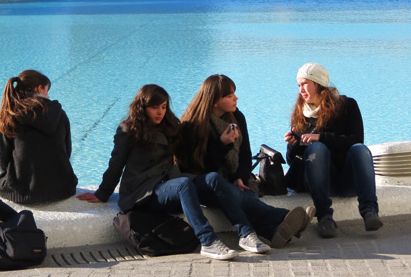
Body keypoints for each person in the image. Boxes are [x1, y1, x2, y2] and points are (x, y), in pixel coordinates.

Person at [78, 83, 280, 261]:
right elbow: (116, 163)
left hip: (169, 185)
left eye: (164, 107)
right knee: (184, 184)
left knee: (212, 179)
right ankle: (208, 241)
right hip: (144, 193)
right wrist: (102, 193)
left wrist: (222, 144)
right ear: (142, 107)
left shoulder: (171, 126)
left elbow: (192, 156)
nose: (160, 112)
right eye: (154, 107)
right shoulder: (128, 130)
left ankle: (246, 234)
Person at [179, 74, 313, 248]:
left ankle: (273, 233)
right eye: (229, 96)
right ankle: (283, 216)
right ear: (214, 101)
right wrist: (222, 144)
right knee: (238, 197)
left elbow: (245, 153)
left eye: (234, 93)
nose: (236, 98)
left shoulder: (236, 117)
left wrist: (239, 177)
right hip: (205, 183)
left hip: (231, 178)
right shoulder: (193, 125)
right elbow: (198, 167)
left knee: (244, 193)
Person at [284, 62, 382, 238]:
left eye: (305, 83)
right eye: (298, 85)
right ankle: (324, 217)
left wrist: (322, 137)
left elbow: (356, 140)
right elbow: (293, 162)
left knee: (360, 149)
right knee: (317, 150)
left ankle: (369, 212)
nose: (301, 90)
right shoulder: (300, 114)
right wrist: (293, 145)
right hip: (317, 183)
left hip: (346, 180)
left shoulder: (347, 105)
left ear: (318, 83)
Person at [0, 69, 78, 204]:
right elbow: (67, 152)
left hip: (23, 192)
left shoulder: (12, 115)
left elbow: (1, 159)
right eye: (47, 90)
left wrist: (18, 174)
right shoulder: (60, 114)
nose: (48, 95)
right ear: (39, 88)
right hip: (62, 189)